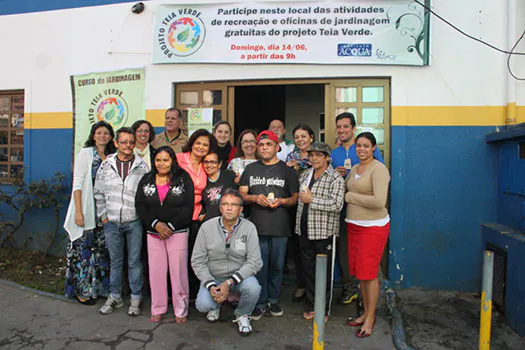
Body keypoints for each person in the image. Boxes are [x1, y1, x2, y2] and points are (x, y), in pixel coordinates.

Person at [239, 130, 299, 319]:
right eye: (261, 145)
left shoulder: (287, 170)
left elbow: (296, 198)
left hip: (280, 226)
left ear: (277, 147)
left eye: (268, 144)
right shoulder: (251, 169)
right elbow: (241, 194)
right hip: (256, 227)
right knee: (259, 266)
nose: (264, 148)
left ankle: (273, 300)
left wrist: (281, 202)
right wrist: (255, 198)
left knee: (278, 265)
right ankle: (260, 301)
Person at [135, 146, 194, 324]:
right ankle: (158, 307)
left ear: (172, 161)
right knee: (156, 272)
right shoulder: (146, 179)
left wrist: (169, 226)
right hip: (154, 233)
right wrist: (155, 224)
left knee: (178, 273)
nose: (161, 163)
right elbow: (140, 205)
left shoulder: (183, 178)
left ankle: (181, 309)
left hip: (177, 232)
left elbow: (187, 207)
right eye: (158, 160)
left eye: (165, 160)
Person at [192, 189, 263, 337]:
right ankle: (215, 304)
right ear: (220, 208)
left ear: (241, 209)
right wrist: (211, 284)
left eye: (234, 204)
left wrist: (229, 283)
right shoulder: (206, 227)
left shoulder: (249, 228)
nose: (229, 208)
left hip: (239, 277)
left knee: (254, 288)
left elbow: (255, 261)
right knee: (203, 306)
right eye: (225, 204)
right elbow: (197, 260)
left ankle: (242, 314)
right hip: (214, 277)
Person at [94, 127, 149, 316]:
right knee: (115, 261)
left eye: (131, 142)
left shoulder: (142, 166)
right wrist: (104, 216)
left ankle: (135, 297)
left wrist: (141, 216)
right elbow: (98, 192)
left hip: (134, 222)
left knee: (134, 262)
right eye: (124, 142)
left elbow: (146, 195)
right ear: (116, 143)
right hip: (112, 222)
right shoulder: (106, 165)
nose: (128, 146)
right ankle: (115, 296)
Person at [331, 112, 384, 305]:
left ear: (353, 128)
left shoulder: (364, 148)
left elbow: (379, 176)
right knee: (347, 253)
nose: (342, 130)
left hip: (367, 214)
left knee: (367, 256)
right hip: (343, 212)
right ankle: (349, 288)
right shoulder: (334, 153)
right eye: (339, 127)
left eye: (346, 126)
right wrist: (336, 174)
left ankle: (368, 297)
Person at [64, 121, 116, 305]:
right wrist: (79, 212)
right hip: (86, 210)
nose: (103, 136)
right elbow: (77, 184)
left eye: (106, 133)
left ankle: (100, 289)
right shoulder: (85, 154)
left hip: (105, 212)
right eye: (99, 132)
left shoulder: (112, 156)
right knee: (85, 252)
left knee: (102, 252)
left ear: (110, 136)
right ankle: (82, 291)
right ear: (93, 135)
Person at [344, 132, 390, 338]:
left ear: (373, 148)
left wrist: (352, 197)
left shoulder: (379, 169)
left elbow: (379, 201)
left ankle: (371, 316)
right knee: (361, 273)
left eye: (366, 146)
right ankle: (364, 312)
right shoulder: (354, 168)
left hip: (373, 227)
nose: (361, 149)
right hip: (354, 225)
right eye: (358, 146)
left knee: (370, 274)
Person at [295, 142, 344, 321]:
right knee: (308, 271)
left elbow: (337, 205)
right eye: (312, 155)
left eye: (318, 155)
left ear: (327, 158)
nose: (314, 158)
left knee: (325, 273)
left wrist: (312, 200)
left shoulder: (335, 178)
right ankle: (313, 305)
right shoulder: (306, 175)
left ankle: (324, 310)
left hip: (324, 233)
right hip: (305, 229)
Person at [176, 129, 217, 299]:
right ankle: (177, 293)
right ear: (192, 143)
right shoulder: (178, 159)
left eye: (205, 145)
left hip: (196, 217)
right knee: (178, 257)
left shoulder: (206, 164)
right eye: (198, 143)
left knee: (195, 256)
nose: (201, 147)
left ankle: (193, 294)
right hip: (177, 215)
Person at [285, 124, 315, 303]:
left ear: (311, 137)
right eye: (297, 137)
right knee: (297, 247)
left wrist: (299, 166)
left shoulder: (318, 153)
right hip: (296, 205)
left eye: (304, 136)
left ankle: (315, 288)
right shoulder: (292, 156)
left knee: (312, 247)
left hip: (315, 205)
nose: (300, 140)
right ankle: (301, 285)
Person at [201, 151, 237, 222]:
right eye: (206, 162)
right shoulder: (202, 179)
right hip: (210, 222)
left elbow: (238, 195)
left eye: (213, 162)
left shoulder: (229, 175)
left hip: (229, 220)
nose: (209, 165)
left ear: (219, 164)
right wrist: (202, 215)